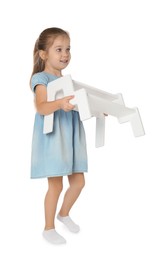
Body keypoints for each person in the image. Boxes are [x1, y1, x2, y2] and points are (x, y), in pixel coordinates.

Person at [30, 27, 88, 245]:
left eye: (68, 49)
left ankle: (63, 213)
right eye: (59, 49)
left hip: (71, 135)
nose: (65, 54)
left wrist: (97, 110)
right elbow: (42, 107)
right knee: (56, 185)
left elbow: (79, 105)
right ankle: (48, 228)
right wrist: (60, 103)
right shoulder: (41, 78)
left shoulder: (68, 82)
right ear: (44, 54)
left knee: (79, 182)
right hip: (54, 136)